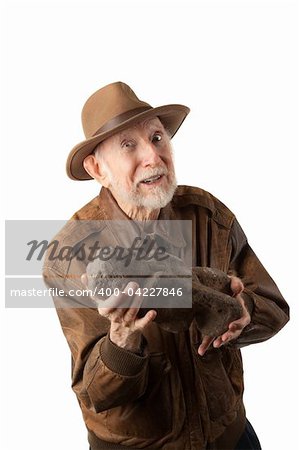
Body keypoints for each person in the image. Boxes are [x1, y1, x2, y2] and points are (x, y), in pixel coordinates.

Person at [42, 81, 289, 450]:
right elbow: (96, 392)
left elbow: (274, 307)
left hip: (230, 437)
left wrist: (243, 313)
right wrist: (122, 339)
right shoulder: (70, 256)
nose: (153, 157)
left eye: (157, 138)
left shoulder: (210, 217)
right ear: (97, 168)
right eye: (129, 146)